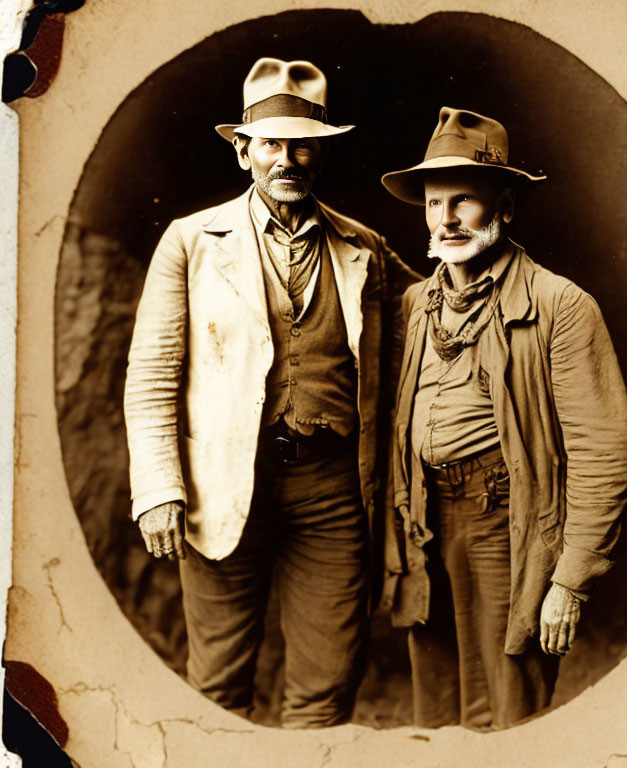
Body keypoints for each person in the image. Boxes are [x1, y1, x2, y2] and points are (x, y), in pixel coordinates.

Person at [124, 57, 417, 728]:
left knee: (327, 681)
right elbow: (151, 374)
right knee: (219, 681)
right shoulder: (191, 242)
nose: (287, 157)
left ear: (321, 152)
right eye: (271, 142)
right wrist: (159, 489)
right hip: (222, 483)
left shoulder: (362, 247)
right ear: (243, 152)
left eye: (302, 142)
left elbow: (435, 303)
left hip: (333, 490)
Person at [380, 107, 627, 730]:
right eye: (433, 203)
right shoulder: (416, 302)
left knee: (508, 707)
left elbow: (609, 455)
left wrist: (570, 582)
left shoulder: (561, 304)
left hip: (509, 518)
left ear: (505, 207)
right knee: (438, 711)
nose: (445, 220)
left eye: (462, 201)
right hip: (426, 517)